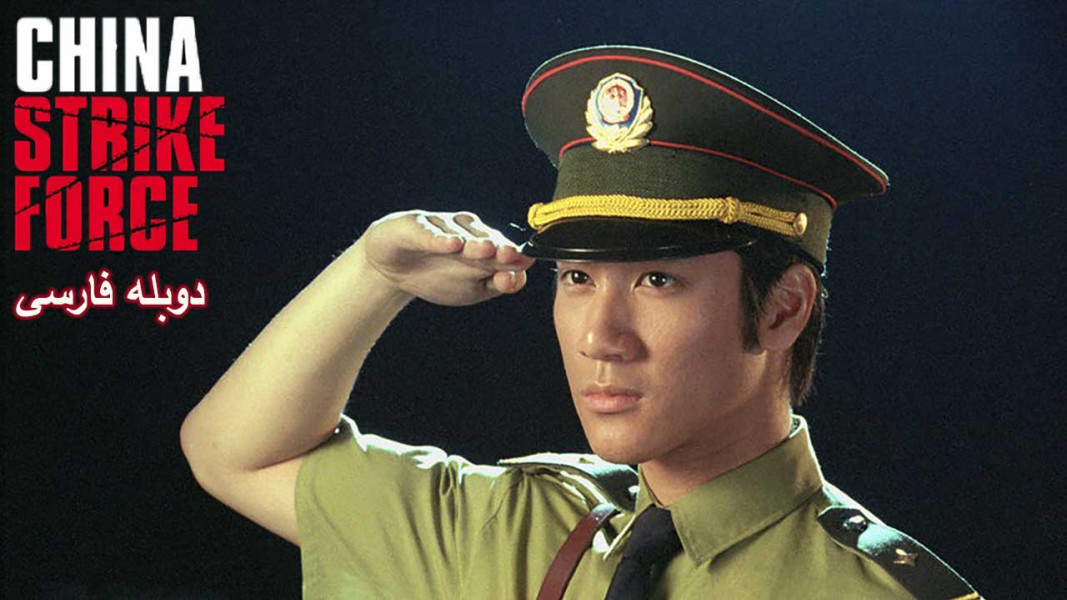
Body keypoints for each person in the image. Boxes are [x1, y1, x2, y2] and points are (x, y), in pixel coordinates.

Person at [181, 46, 980, 599]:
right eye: (576, 277)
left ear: (782, 308)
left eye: (658, 280)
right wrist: (372, 274)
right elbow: (233, 455)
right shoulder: (511, 529)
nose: (600, 336)